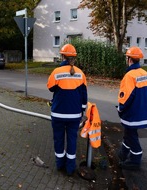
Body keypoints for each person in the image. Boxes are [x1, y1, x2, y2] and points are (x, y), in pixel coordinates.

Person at [47, 44, 88, 175]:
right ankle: (70, 168)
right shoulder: (80, 73)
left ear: (62, 56)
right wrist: (81, 111)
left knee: (58, 139)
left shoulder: (56, 72)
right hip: (74, 115)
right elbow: (84, 96)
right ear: (74, 58)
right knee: (72, 140)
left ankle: (60, 164)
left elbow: (51, 88)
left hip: (58, 113)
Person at [117, 46, 147, 170]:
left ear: (129, 59)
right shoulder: (145, 73)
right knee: (129, 132)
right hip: (143, 111)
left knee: (131, 134)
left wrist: (120, 108)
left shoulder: (130, 76)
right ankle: (123, 153)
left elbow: (126, 96)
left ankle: (135, 159)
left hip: (133, 112)